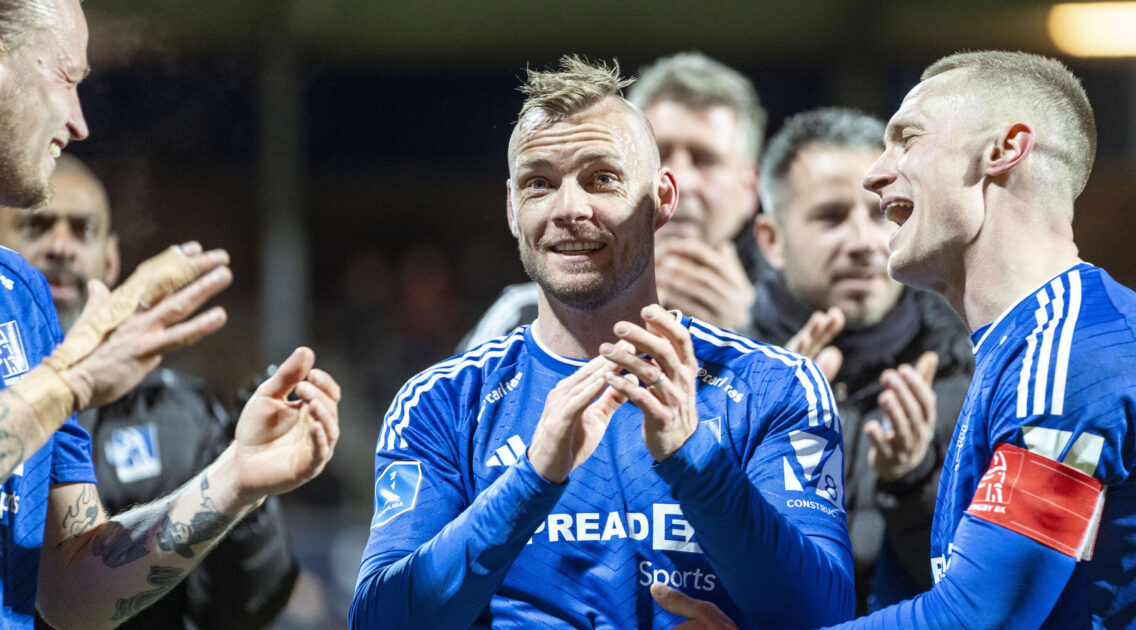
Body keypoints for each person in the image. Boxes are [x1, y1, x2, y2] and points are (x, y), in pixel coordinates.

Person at [350, 56, 853, 629]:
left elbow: (823, 611)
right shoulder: (441, 402)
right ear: (513, 209)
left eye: (602, 179)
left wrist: (694, 459)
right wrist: (532, 479)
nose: (569, 209)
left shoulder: (775, 386)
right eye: (539, 183)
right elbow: (379, 621)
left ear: (662, 198)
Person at [653, 50, 1136, 629]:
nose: (876, 173)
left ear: (1004, 151)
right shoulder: (1032, 344)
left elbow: (980, 618)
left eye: (907, 138)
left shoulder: (1071, 357)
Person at [0, 1, 340, 628]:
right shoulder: (64, 366)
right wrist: (69, 382)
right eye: (67, 79)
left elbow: (70, 589)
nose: (78, 123)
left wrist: (233, 477)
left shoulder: (18, 291)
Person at [0, 154, 299, 630]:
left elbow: (243, 609)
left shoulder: (178, 415)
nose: (61, 246)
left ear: (110, 260)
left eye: (81, 230)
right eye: (37, 226)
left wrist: (248, 500)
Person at [745, 107, 972, 614]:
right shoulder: (722, 378)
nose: (864, 242)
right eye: (830, 217)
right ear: (772, 240)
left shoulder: (970, 373)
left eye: (881, 213)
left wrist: (913, 481)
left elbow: (977, 598)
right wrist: (766, 430)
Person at [458, 52, 765, 349]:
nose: (679, 178)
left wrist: (749, 333)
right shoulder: (521, 316)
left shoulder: (796, 312)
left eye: (704, 160)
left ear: (750, 189)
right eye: (661, 152)